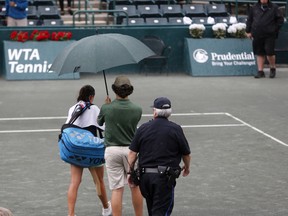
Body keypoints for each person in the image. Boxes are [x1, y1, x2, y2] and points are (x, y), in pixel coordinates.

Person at [128, 97, 191, 216]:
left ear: (155, 111)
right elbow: (186, 154)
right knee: (161, 212)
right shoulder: (175, 129)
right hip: (164, 179)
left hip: (145, 178)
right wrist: (187, 167)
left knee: (153, 211)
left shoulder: (143, 128)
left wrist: (129, 172)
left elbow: (132, 153)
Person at [97, 75, 143, 216]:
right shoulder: (137, 109)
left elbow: (99, 122)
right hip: (132, 152)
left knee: (117, 189)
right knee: (135, 186)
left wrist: (106, 105)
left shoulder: (107, 108)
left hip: (112, 151)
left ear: (114, 90)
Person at [65, 85, 112, 216]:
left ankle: (71, 214)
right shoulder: (95, 108)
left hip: (76, 150)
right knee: (99, 181)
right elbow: (105, 127)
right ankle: (106, 208)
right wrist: (108, 108)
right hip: (91, 150)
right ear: (91, 97)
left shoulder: (72, 109)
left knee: (74, 182)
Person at [245, 0, 284, 79]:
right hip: (257, 33)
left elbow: (280, 20)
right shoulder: (254, 7)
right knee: (259, 53)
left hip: (270, 34)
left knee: (269, 52)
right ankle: (260, 71)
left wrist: (274, 29)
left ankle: (272, 68)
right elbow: (250, 20)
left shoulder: (274, 7)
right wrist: (248, 31)